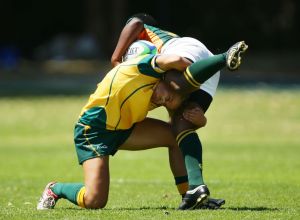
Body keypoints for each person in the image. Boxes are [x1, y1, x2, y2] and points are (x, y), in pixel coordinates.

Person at [37, 40, 247, 210]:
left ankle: (191, 196)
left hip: (127, 128)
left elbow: (180, 119)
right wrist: (184, 70)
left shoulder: (157, 83)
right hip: (94, 131)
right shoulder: (136, 67)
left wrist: (201, 120)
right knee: (95, 201)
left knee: (175, 136)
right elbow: (174, 58)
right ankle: (56, 188)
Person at [111, 13, 244, 210]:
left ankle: (224, 57)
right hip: (206, 73)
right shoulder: (144, 71)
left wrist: (115, 60)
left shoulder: (145, 33)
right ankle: (195, 190)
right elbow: (187, 118)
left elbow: (136, 21)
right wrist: (202, 120)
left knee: (175, 87)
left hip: (185, 53)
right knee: (182, 125)